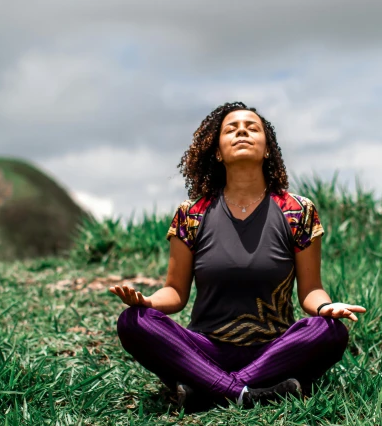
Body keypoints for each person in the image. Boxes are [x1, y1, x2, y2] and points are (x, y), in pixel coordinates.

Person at [109, 101, 366, 410]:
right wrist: (148, 303)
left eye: (252, 128)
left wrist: (326, 307)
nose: (242, 131)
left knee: (328, 331)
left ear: (267, 149)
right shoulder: (192, 214)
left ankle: (207, 388)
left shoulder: (298, 211)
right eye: (231, 129)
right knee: (133, 322)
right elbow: (175, 292)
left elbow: (310, 290)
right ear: (217, 152)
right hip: (206, 347)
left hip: (274, 349)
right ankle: (248, 393)